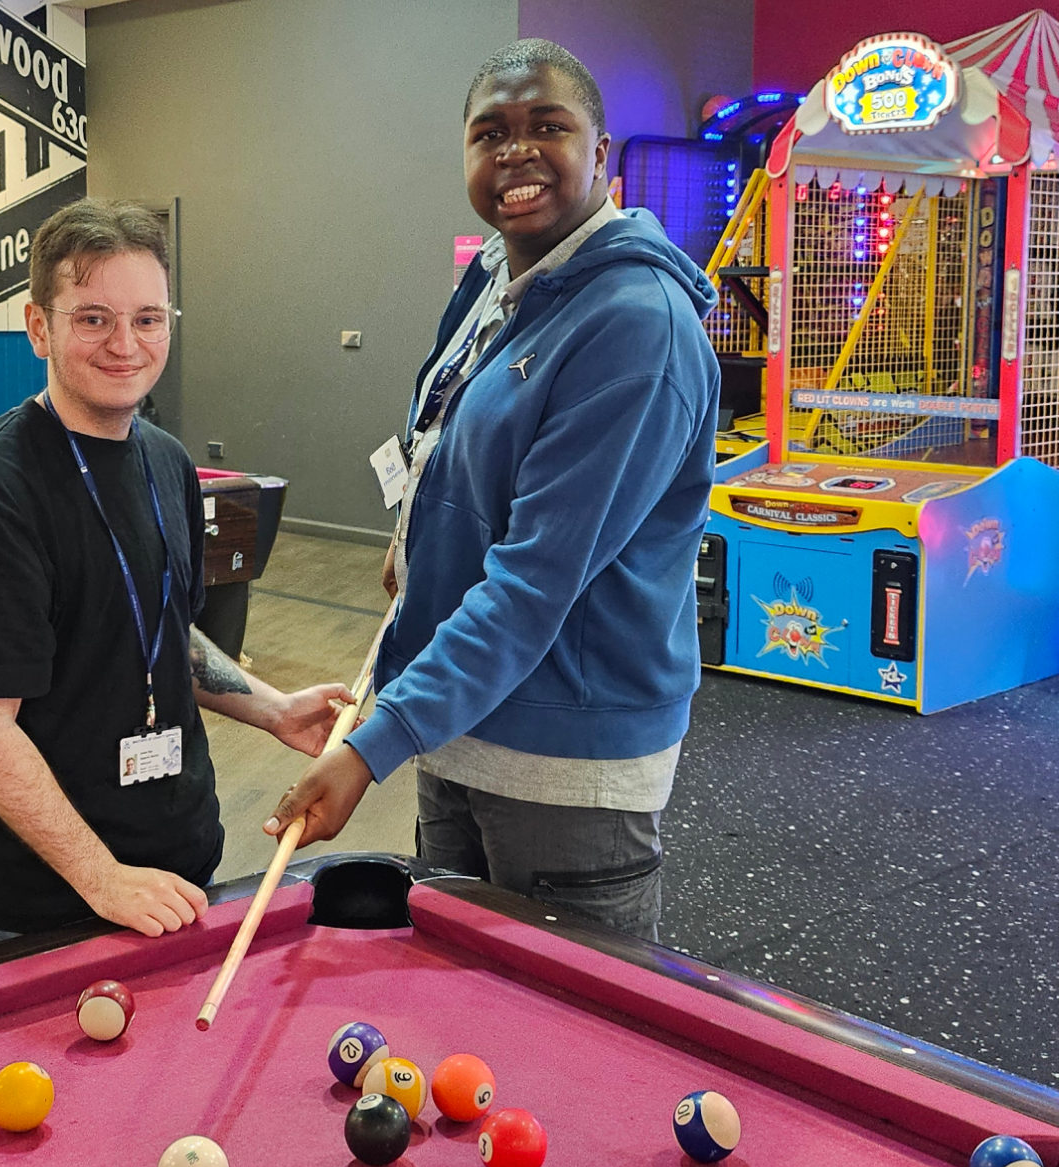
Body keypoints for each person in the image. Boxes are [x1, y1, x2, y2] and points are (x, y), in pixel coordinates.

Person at [266, 40, 721, 942]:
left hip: (566, 764)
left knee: (568, 1053)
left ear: (600, 152)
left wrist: (369, 749)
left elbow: (535, 583)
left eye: (548, 126)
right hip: (461, 719)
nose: (516, 152)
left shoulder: (637, 327)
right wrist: (420, 550)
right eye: (491, 133)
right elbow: (446, 449)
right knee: (454, 1025)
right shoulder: (499, 281)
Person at [0, 198, 351, 959]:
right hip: (29, 910)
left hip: (171, 880)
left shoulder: (167, 463)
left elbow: (158, 629)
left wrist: (273, 709)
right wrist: (101, 876)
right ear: (38, 326)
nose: (125, 344)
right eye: (92, 319)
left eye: (148, 318)